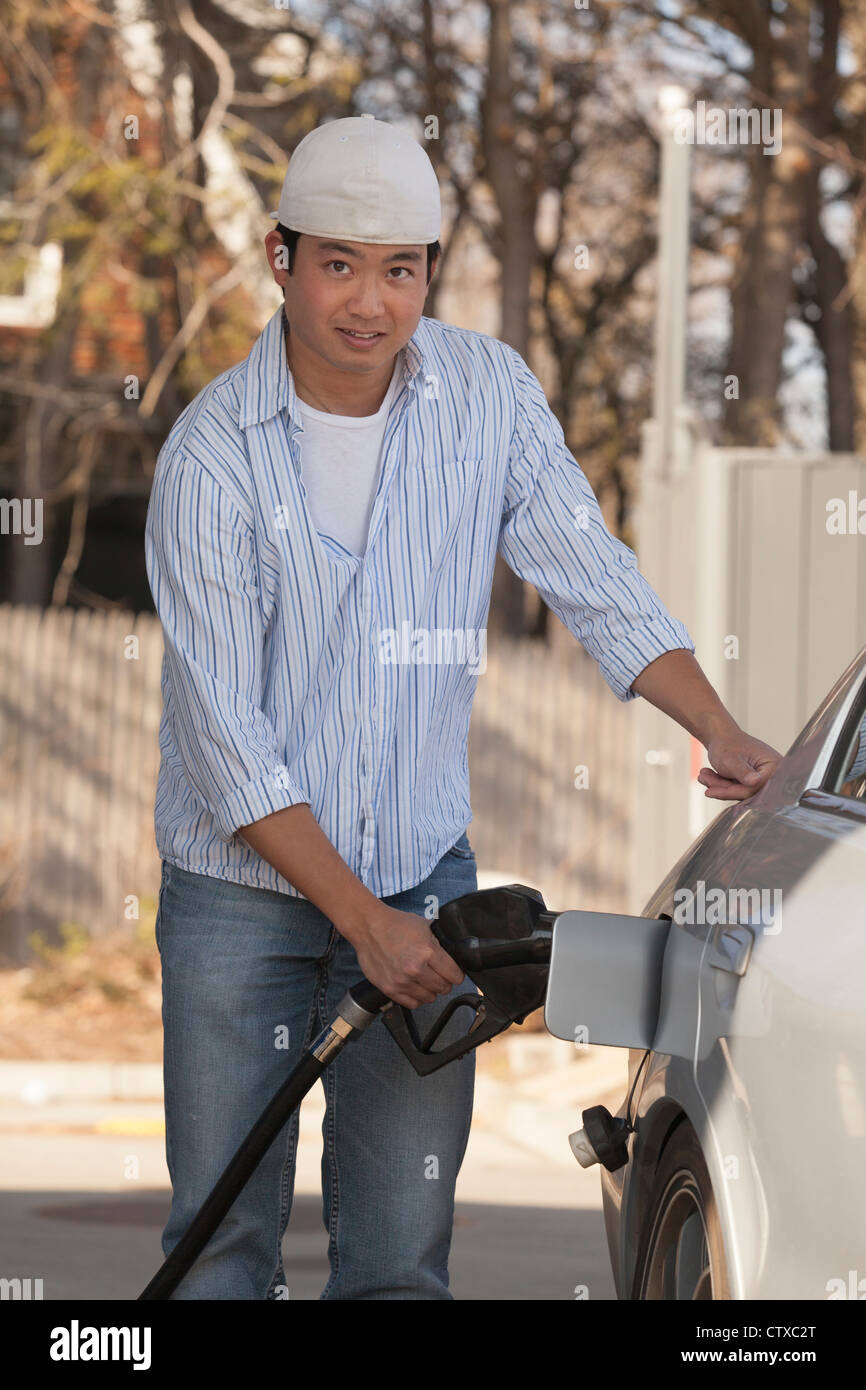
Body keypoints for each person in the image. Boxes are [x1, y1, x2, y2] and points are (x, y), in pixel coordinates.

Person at [144, 113, 781, 1300]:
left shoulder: (483, 395)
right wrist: (361, 921)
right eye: (336, 264)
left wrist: (717, 726)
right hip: (239, 903)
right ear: (280, 261)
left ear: (430, 270)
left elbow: (590, 574)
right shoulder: (210, 459)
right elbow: (225, 747)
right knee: (220, 1244)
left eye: (398, 269)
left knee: (398, 1258)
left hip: (417, 877)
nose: (368, 303)